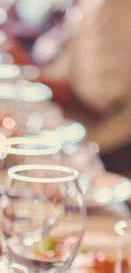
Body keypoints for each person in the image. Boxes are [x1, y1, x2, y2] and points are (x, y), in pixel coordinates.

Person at [33, 0, 131, 173]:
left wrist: (26, 76)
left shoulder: (111, 6)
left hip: (100, 152)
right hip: (67, 135)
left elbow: (96, 100)